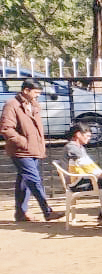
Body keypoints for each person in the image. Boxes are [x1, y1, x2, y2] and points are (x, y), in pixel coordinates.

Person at [2, 77, 58, 222]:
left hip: (33, 149)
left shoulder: (33, 105)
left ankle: (20, 213)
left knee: (24, 181)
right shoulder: (12, 105)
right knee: (34, 180)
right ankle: (47, 211)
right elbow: (6, 128)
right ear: (26, 90)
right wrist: (23, 142)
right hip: (21, 151)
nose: (37, 95)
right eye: (35, 92)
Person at [63, 123, 102, 220]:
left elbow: (91, 166)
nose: (89, 139)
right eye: (87, 136)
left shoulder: (79, 147)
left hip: (84, 178)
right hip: (78, 183)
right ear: (78, 134)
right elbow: (89, 169)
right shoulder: (72, 148)